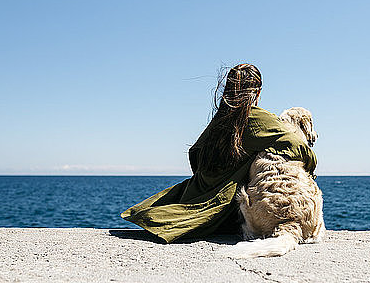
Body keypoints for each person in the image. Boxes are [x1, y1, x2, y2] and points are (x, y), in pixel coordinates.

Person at [121, 63, 317, 243]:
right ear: (258, 92)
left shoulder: (220, 118)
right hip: (221, 204)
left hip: (198, 190)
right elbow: (300, 148)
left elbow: (195, 153)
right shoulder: (259, 119)